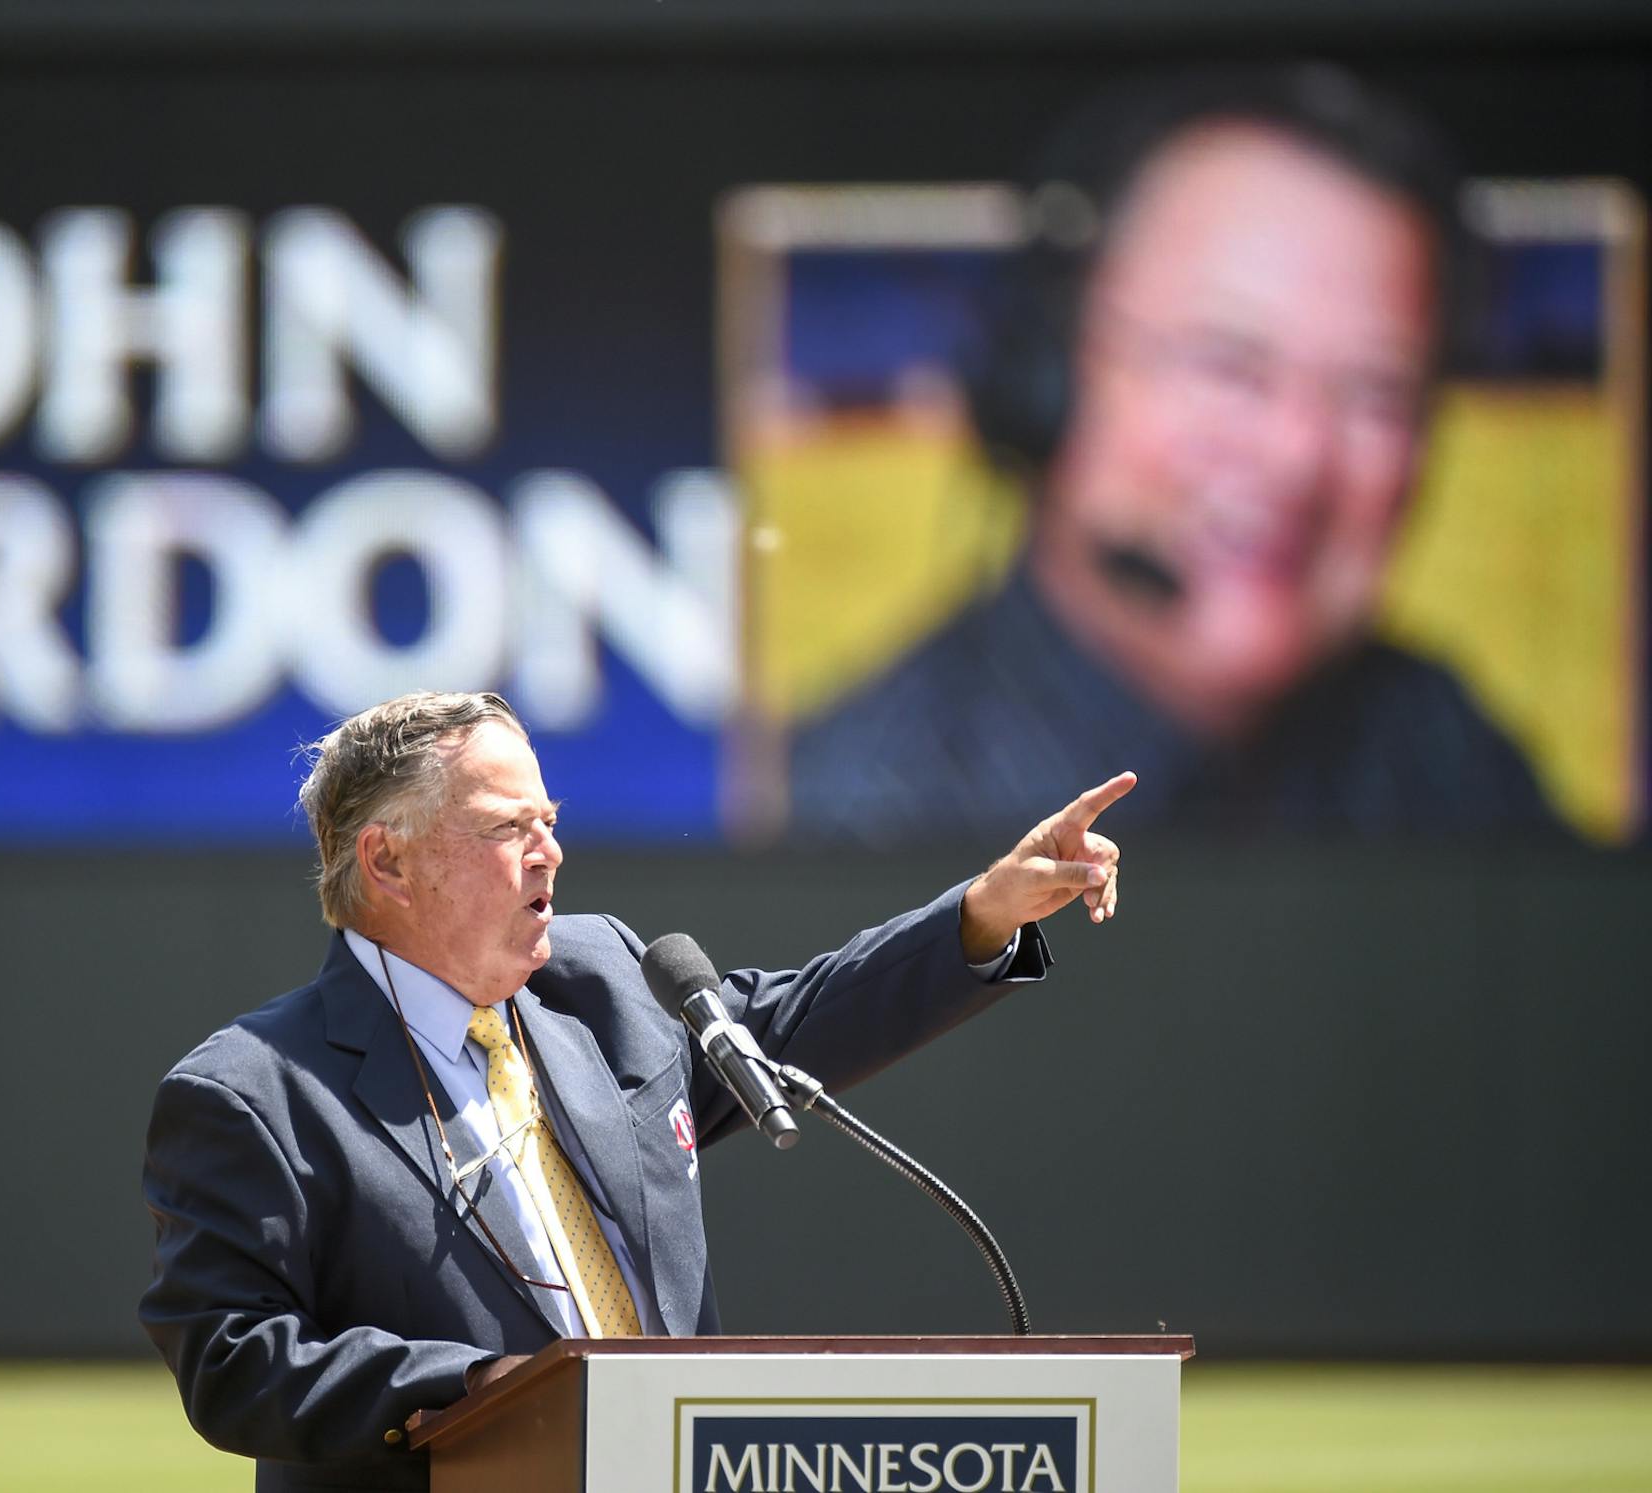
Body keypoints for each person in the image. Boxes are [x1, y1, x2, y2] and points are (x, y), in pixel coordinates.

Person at [140, 690, 1130, 1492]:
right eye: (505, 827)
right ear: (387, 860)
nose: (549, 851)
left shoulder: (600, 981)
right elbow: (236, 1358)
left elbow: (790, 1027)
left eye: (549, 821)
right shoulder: (254, 1092)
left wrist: (986, 911)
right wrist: (488, 1389)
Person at [790, 67, 1557, 843]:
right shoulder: (865, 814)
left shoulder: (1446, 753)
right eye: (1227, 366)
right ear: (1048, 372)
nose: (1298, 455)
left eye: (1376, 394)